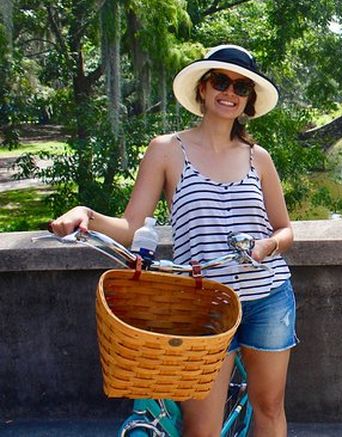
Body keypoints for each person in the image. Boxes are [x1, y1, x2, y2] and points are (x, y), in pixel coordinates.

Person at [49, 44, 297, 437]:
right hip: (203, 306)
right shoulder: (166, 150)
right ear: (202, 88)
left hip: (268, 298)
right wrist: (87, 215)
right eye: (220, 81)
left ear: (248, 100)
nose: (229, 92)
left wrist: (267, 246)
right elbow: (132, 227)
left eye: (241, 86)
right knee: (201, 428)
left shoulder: (258, 158)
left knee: (269, 408)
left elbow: (285, 229)